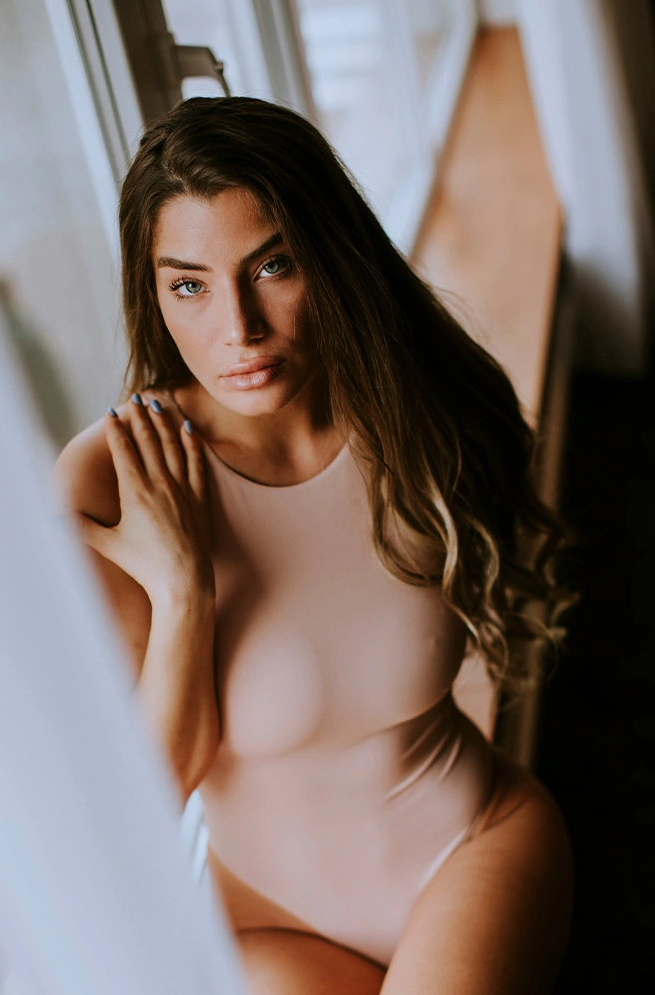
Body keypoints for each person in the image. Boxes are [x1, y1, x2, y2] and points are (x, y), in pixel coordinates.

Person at [52, 96, 576, 995]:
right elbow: (147, 791)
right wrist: (183, 590)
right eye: (190, 284)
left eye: (274, 266)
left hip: (473, 849)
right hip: (270, 918)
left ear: (330, 257)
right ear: (154, 293)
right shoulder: (114, 479)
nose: (239, 330)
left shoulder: (418, 407)